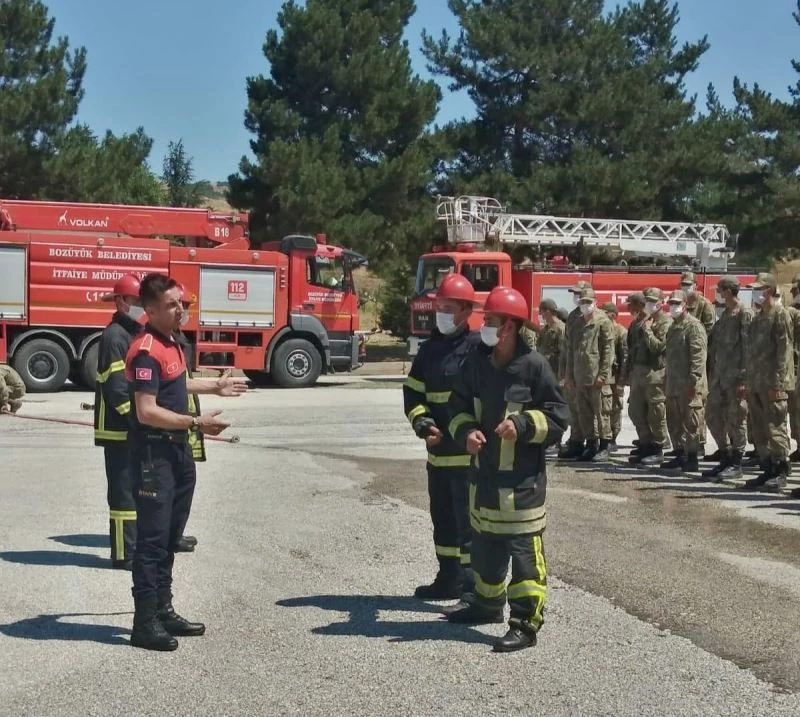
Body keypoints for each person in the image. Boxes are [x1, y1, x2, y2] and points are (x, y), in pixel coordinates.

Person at [125, 273, 247, 651]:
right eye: (171, 305)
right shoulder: (145, 349)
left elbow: (176, 383)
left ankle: (164, 610)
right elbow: (146, 410)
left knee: (170, 538)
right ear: (150, 310)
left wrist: (215, 386)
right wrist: (196, 422)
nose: (180, 309)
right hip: (154, 455)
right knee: (152, 542)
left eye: (180, 302)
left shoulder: (171, 341)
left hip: (177, 451)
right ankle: (144, 622)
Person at [445, 287, 569, 653]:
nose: (484, 326)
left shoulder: (535, 366)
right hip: (484, 480)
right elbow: (457, 406)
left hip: (521, 487)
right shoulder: (476, 363)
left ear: (509, 327)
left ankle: (525, 624)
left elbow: (558, 417)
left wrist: (523, 425)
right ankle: (487, 605)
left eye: (491, 320)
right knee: (485, 551)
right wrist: (466, 432)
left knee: (525, 559)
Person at [93, 275, 197, 571]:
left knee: (141, 491)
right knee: (123, 495)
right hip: (119, 428)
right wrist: (141, 421)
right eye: (136, 301)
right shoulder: (115, 336)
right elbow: (117, 388)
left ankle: (148, 542)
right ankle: (124, 554)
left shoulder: (134, 332)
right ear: (121, 302)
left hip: (134, 426)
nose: (141, 306)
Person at [402, 273, 481, 602]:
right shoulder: (429, 350)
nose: (442, 314)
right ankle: (448, 578)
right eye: (440, 307)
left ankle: (473, 588)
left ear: (466, 311)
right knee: (444, 520)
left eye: (449, 308)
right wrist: (422, 423)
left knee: (470, 525)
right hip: (438, 456)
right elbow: (413, 392)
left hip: (469, 458)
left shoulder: (479, 349)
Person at [742, 273, 793, 491]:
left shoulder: (780, 315)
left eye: (759, 289)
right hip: (756, 383)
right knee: (760, 428)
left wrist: (778, 384)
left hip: (772, 384)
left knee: (776, 427)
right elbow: (751, 353)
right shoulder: (757, 319)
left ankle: (781, 469)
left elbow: (784, 353)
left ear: (770, 291)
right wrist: (748, 381)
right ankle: (768, 467)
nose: (755, 293)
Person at [702, 276, 752, 482]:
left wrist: (744, 379)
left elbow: (748, 348)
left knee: (736, 419)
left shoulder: (744, 313)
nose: (718, 294)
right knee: (712, 415)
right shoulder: (725, 315)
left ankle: (736, 462)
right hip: (720, 377)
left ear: (729, 291)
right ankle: (726, 453)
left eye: (720, 290)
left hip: (735, 378)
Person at [661, 290, 707, 474]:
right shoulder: (673, 327)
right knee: (675, 422)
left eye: (677, 303)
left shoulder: (693, 326)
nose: (673, 306)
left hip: (689, 385)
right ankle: (680, 454)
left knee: (691, 423)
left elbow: (698, 356)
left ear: (685, 305)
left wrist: (693, 382)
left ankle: (692, 457)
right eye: (671, 303)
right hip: (674, 383)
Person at [565, 287, 613, 462]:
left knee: (601, 413)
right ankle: (591, 444)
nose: (585, 305)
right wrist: (569, 375)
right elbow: (571, 351)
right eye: (582, 302)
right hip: (580, 376)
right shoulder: (577, 323)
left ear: (595, 302)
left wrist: (603, 375)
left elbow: (608, 350)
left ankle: (605, 445)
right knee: (584, 413)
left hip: (596, 377)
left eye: (588, 302)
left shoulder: (603, 321)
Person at [628, 288, 671, 466]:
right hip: (639, 373)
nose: (650, 304)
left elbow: (658, 347)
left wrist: (647, 330)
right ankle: (645, 444)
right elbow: (632, 347)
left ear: (661, 302)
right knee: (636, 411)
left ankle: (658, 447)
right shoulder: (642, 321)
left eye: (653, 301)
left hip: (655, 374)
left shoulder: (665, 323)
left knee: (656, 413)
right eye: (647, 301)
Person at [558, 280, 591, 460]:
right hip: (573, 368)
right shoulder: (572, 317)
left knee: (587, 410)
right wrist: (564, 372)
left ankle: (592, 443)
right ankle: (576, 441)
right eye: (575, 294)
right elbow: (567, 347)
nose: (576, 297)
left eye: (579, 294)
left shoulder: (595, 317)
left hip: (587, 372)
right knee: (573, 408)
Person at [536, 299, 566, 455]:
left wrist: (562, 376)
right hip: (546, 374)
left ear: (548, 311)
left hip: (556, 374)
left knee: (557, 409)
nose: (540, 314)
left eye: (542, 311)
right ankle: (548, 439)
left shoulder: (560, 329)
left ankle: (556, 441)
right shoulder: (546, 329)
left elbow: (564, 355)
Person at [602, 302, 628, 450]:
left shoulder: (621, 332)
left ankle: (613, 438)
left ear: (612, 315)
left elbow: (625, 358)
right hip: (605, 376)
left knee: (615, 408)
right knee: (604, 407)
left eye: (605, 313)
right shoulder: (603, 330)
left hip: (615, 376)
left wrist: (621, 382)